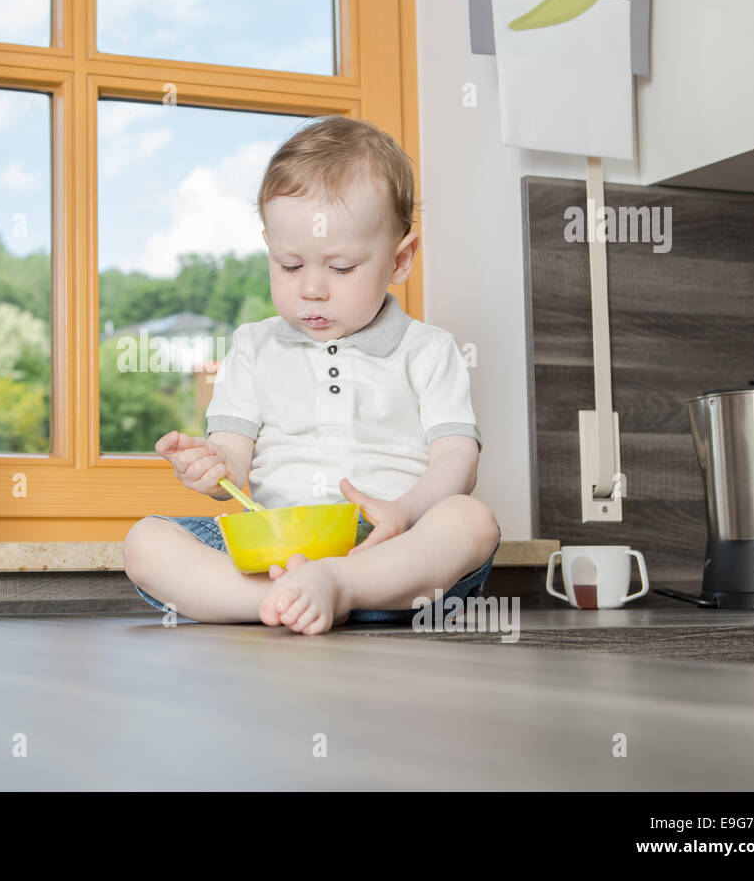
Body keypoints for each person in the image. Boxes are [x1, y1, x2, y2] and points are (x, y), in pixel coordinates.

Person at [122, 115, 501, 635]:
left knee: (470, 522)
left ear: (401, 258)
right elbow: (232, 459)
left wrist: (403, 512)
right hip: (274, 544)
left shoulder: (429, 351)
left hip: (392, 549)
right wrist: (212, 468)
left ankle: (341, 584)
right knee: (146, 541)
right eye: (290, 265)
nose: (312, 289)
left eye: (341, 268)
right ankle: (286, 596)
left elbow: (458, 460)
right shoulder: (253, 347)